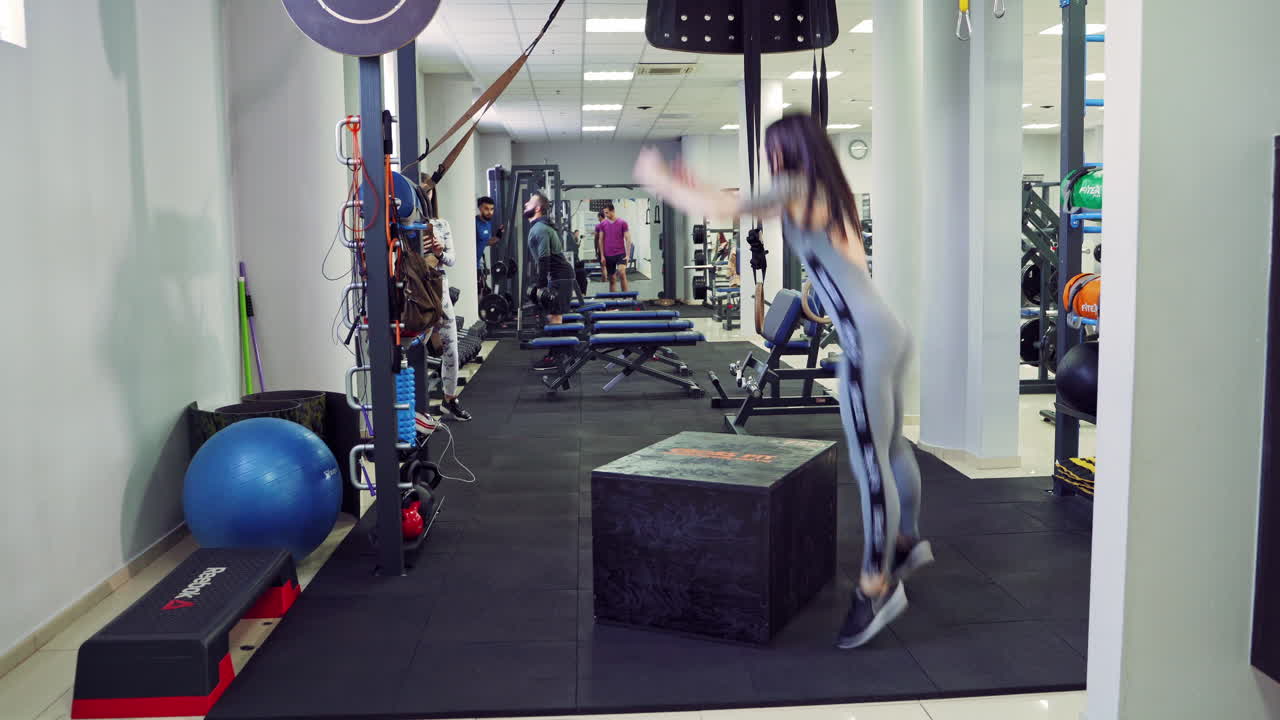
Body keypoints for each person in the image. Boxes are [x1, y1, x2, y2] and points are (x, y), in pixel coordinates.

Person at [634, 113, 932, 650]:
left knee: (871, 465)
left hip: (866, 343)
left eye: (773, 150)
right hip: (889, 330)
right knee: (892, 449)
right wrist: (700, 186)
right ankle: (907, 541)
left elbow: (727, 209)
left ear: (789, 150)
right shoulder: (830, 193)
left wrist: (658, 179)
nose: (771, 161)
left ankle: (877, 585)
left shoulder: (797, 186)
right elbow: (742, 201)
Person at [421, 218, 471, 422]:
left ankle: (449, 399)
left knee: (451, 347)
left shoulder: (441, 225)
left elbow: (451, 260)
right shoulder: (401, 223)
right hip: (413, 288)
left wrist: (439, 252)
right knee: (412, 349)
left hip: (438, 287)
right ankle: (414, 409)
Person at [525, 191, 575, 371]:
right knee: (553, 315)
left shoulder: (540, 229)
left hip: (559, 276)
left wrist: (540, 287)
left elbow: (544, 259)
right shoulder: (541, 227)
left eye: (530, 202)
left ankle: (556, 357)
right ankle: (564, 352)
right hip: (559, 275)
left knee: (555, 316)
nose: (526, 204)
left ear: (538, 208)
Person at [597, 202, 631, 292]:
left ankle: (626, 297)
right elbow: (600, 240)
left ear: (613, 211)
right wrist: (602, 256)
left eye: (607, 212)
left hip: (620, 253)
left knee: (622, 272)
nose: (605, 215)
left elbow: (628, 239)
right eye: (604, 213)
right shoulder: (603, 224)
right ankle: (613, 299)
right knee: (612, 279)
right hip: (608, 255)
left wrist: (628, 255)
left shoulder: (622, 223)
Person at [475, 196, 502, 269]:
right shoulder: (474, 223)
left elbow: (485, 242)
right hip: (470, 264)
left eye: (492, 209)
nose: (490, 212)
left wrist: (498, 236)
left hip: (477, 265)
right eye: (486, 209)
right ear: (480, 208)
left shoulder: (488, 223)